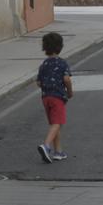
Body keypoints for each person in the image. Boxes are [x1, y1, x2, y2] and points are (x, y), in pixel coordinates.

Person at [36, 32, 73, 163]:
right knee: (57, 123)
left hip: (46, 98)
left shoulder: (43, 64)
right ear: (60, 46)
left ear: (44, 48)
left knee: (54, 124)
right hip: (57, 97)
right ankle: (46, 146)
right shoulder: (62, 63)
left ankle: (58, 152)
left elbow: (38, 82)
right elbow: (66, 79)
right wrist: (69, 92)